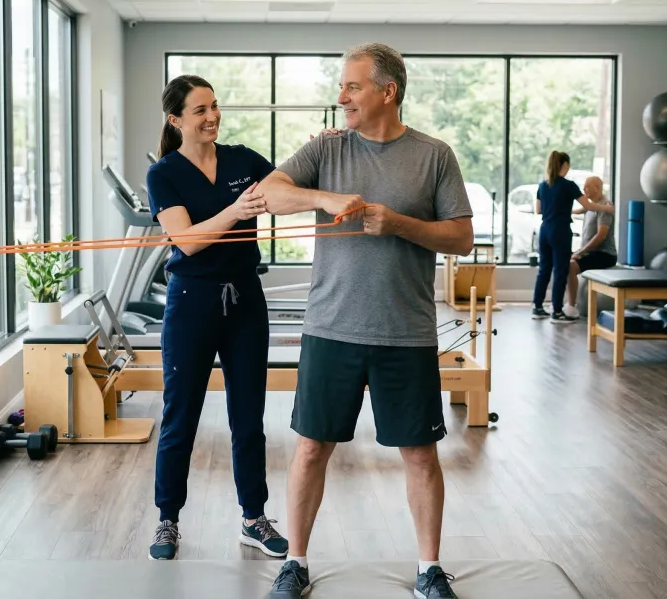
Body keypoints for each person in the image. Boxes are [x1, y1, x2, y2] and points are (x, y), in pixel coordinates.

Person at [257, 43, 475, 599]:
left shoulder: (434, 156)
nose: (342, 96)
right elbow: (270, 194)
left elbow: (462, 237)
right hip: (331, 327)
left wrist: (399, 223)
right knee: (310, 448)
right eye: (342, 87)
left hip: (405, 333)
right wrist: (325, 199)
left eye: (351, 87)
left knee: (421, 455)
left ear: (387, 91)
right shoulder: (327, 149)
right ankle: (296, 562)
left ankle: (429, 568)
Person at [143, 74, 288, 561]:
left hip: (245, 299)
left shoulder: (244, 160)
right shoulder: (163, 175)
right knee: (179, 416)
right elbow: (186, 240)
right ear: (175, 119)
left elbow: (286, 189)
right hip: (193, 302)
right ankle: (168, 519)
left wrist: (320, 154)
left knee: (248, 417)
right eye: (200, 109)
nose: (212, 117)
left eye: (215, 106)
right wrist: (237, 209)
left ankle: (253, 517)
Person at [531, 151, 614, 323]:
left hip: (544, 230)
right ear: (565, 165)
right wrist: (606, 209)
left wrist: (555, 208)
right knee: (561, 270)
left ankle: (537, 308)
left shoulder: (543, 185)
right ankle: (557, 312)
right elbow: (588, 206)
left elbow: (538, 210)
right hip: (560, 231)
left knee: (544, 270)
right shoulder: (569, 185)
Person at [564, 175, 617, 315]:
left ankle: (571, 306)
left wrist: (580, 252)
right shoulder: (591, 205)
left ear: (597, 188)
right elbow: (579, 210)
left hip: (605, 254)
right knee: (560, 260)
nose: (583, 189)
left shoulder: (605, 206)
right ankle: (560, 303)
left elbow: (601, 236)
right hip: (590, 252)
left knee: (571, 266)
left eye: (587, 186)